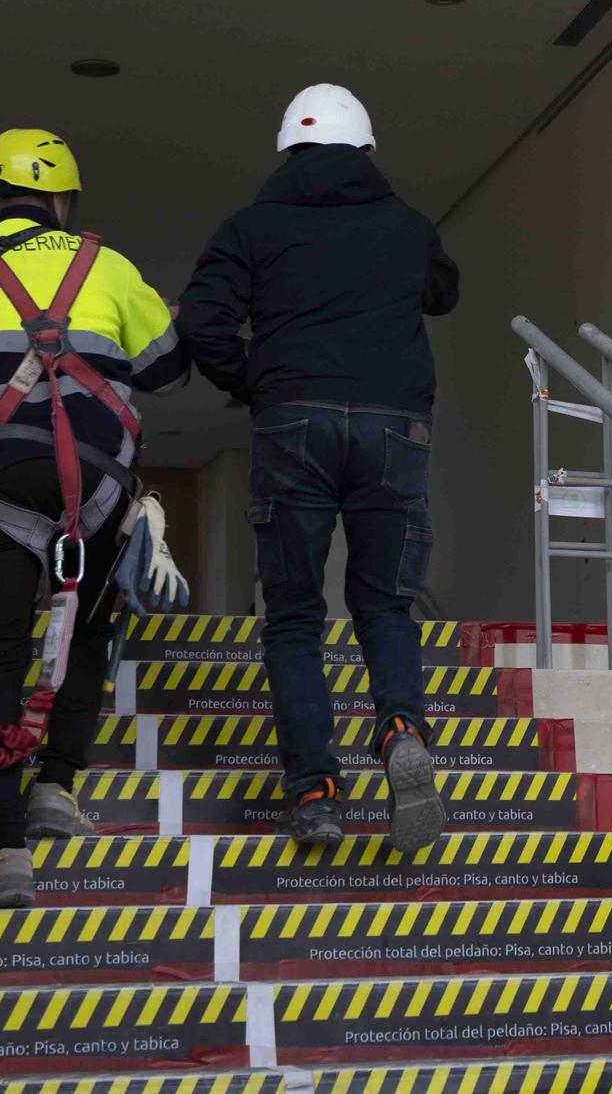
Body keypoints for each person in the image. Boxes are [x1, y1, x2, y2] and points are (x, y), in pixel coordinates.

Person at [0, 129, 190, 908]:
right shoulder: (108, 265)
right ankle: (56, 785)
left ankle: (5, 851)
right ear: (61, 202)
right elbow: (167, 366)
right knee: (84, 630)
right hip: (97, 481)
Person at [178, 83, 458, 851]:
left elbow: (201, 320)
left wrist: (252, 380)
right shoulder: (405, 225)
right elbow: (445, 292)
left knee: (296, 615)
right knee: (385, 605)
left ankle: (316, 791)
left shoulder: (251, 228)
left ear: (287, 152)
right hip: (393, 426)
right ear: (366, 151)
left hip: (293, 420)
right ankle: (401, 725)